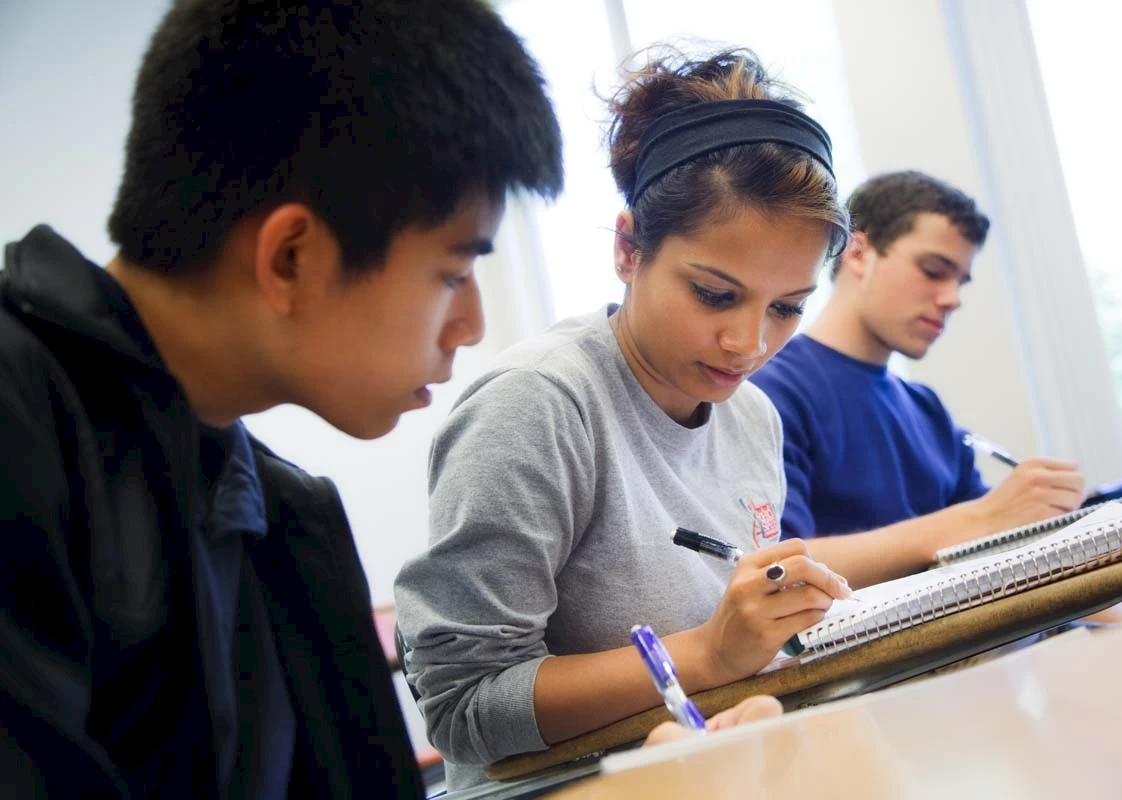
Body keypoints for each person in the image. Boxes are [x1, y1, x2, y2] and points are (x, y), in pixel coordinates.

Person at [0, 1, 564, 796]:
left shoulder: (279, 509)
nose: (469, 327)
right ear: (292, 256)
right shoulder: (26, 426)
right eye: (451, 273)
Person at [395, 49, 855, 789]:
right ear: (627, 247)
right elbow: (462, 706)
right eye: (714, 294)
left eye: (787, 307)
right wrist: (707, 653)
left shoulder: (753, 416)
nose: (749, 343)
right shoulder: (537, 406)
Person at [750, 171, 1087, 588]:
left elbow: (1001, 551)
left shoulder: (927, 411)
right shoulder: (768, 393)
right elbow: (778, 567)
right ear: (857, 253)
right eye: (933, 270)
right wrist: (978, 518)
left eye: (960, 282)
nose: (952, 299)